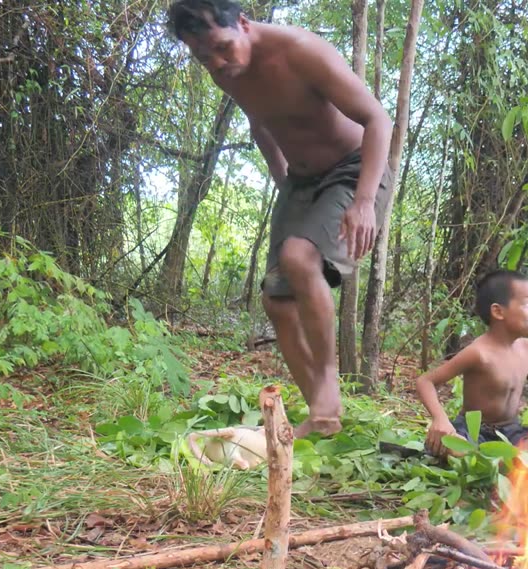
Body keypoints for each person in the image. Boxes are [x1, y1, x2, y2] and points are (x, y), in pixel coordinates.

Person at [167, 0, 394, 437]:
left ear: (245, 25)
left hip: (353, 168)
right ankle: (323, 417)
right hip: (302, 183)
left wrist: (364, 201)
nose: (216, 63)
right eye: (202, 58)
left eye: (221, 47)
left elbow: (377, 119)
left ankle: (328, 385)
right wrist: (283, 181)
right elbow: (260, 123)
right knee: (276, 301)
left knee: (298, 257)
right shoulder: (224, 72)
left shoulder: (301, 51)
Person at [415, 270, 528, 456]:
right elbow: (425, 381)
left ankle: (501, 457)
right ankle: (498, 458)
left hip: (513, 432)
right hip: (474, 431)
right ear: (498, 311)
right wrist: (441, 420)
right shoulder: (479, 352)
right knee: (452, 446)